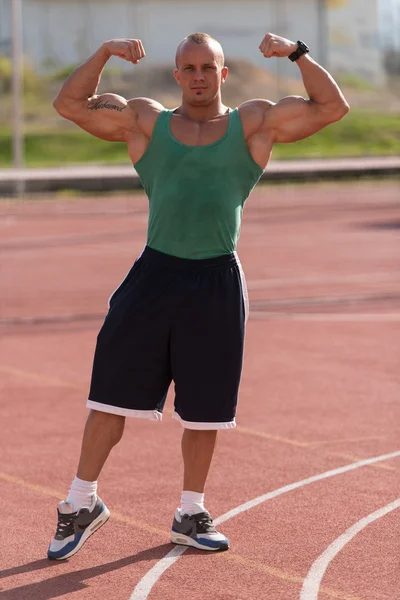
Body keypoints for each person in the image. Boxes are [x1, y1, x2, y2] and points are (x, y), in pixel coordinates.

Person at [48, 32, 349, 560]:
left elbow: (332, 108)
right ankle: (80, 502)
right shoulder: (145, 121)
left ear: (222, 73)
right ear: (177, 75)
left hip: (215, 281)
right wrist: (104, 53)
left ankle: (190, 512)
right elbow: (68, 104)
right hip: (153, 277)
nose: (198, 77)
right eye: (188, 68)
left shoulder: (253, 124)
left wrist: (296, 54)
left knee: (204, 411)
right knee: (108, 398)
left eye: (207, 67)